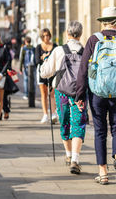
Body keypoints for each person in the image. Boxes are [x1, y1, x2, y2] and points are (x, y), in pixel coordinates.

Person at [76, 6, 116, 186]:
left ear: (103, 22)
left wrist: (80, 94)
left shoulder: (93, 40)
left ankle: (103, 172)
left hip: (97, 94)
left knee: (100, 131)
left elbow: (83, 70)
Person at [40, 21, 87, 174]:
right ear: (80, 34)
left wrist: (45, 61)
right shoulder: (86, 51)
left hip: (62, 92)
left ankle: (68, 155)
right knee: (78, 123)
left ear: (67, 33)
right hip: (80, 93)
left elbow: (44, 72)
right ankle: (75, 159)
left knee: (65, 122)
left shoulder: (59, 50)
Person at [35, 29, 58, 124]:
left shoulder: (55, 46)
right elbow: (36, 60)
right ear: (41, 37)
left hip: (52, 72)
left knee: (52, 94)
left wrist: (48, 57)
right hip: (42, 72)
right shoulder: (38, 47)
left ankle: (53, 114)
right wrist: (43, 58)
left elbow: (58, 58)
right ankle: (45, 114)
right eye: (44, 36)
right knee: (44, 94)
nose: (46, 37)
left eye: (48, 35)